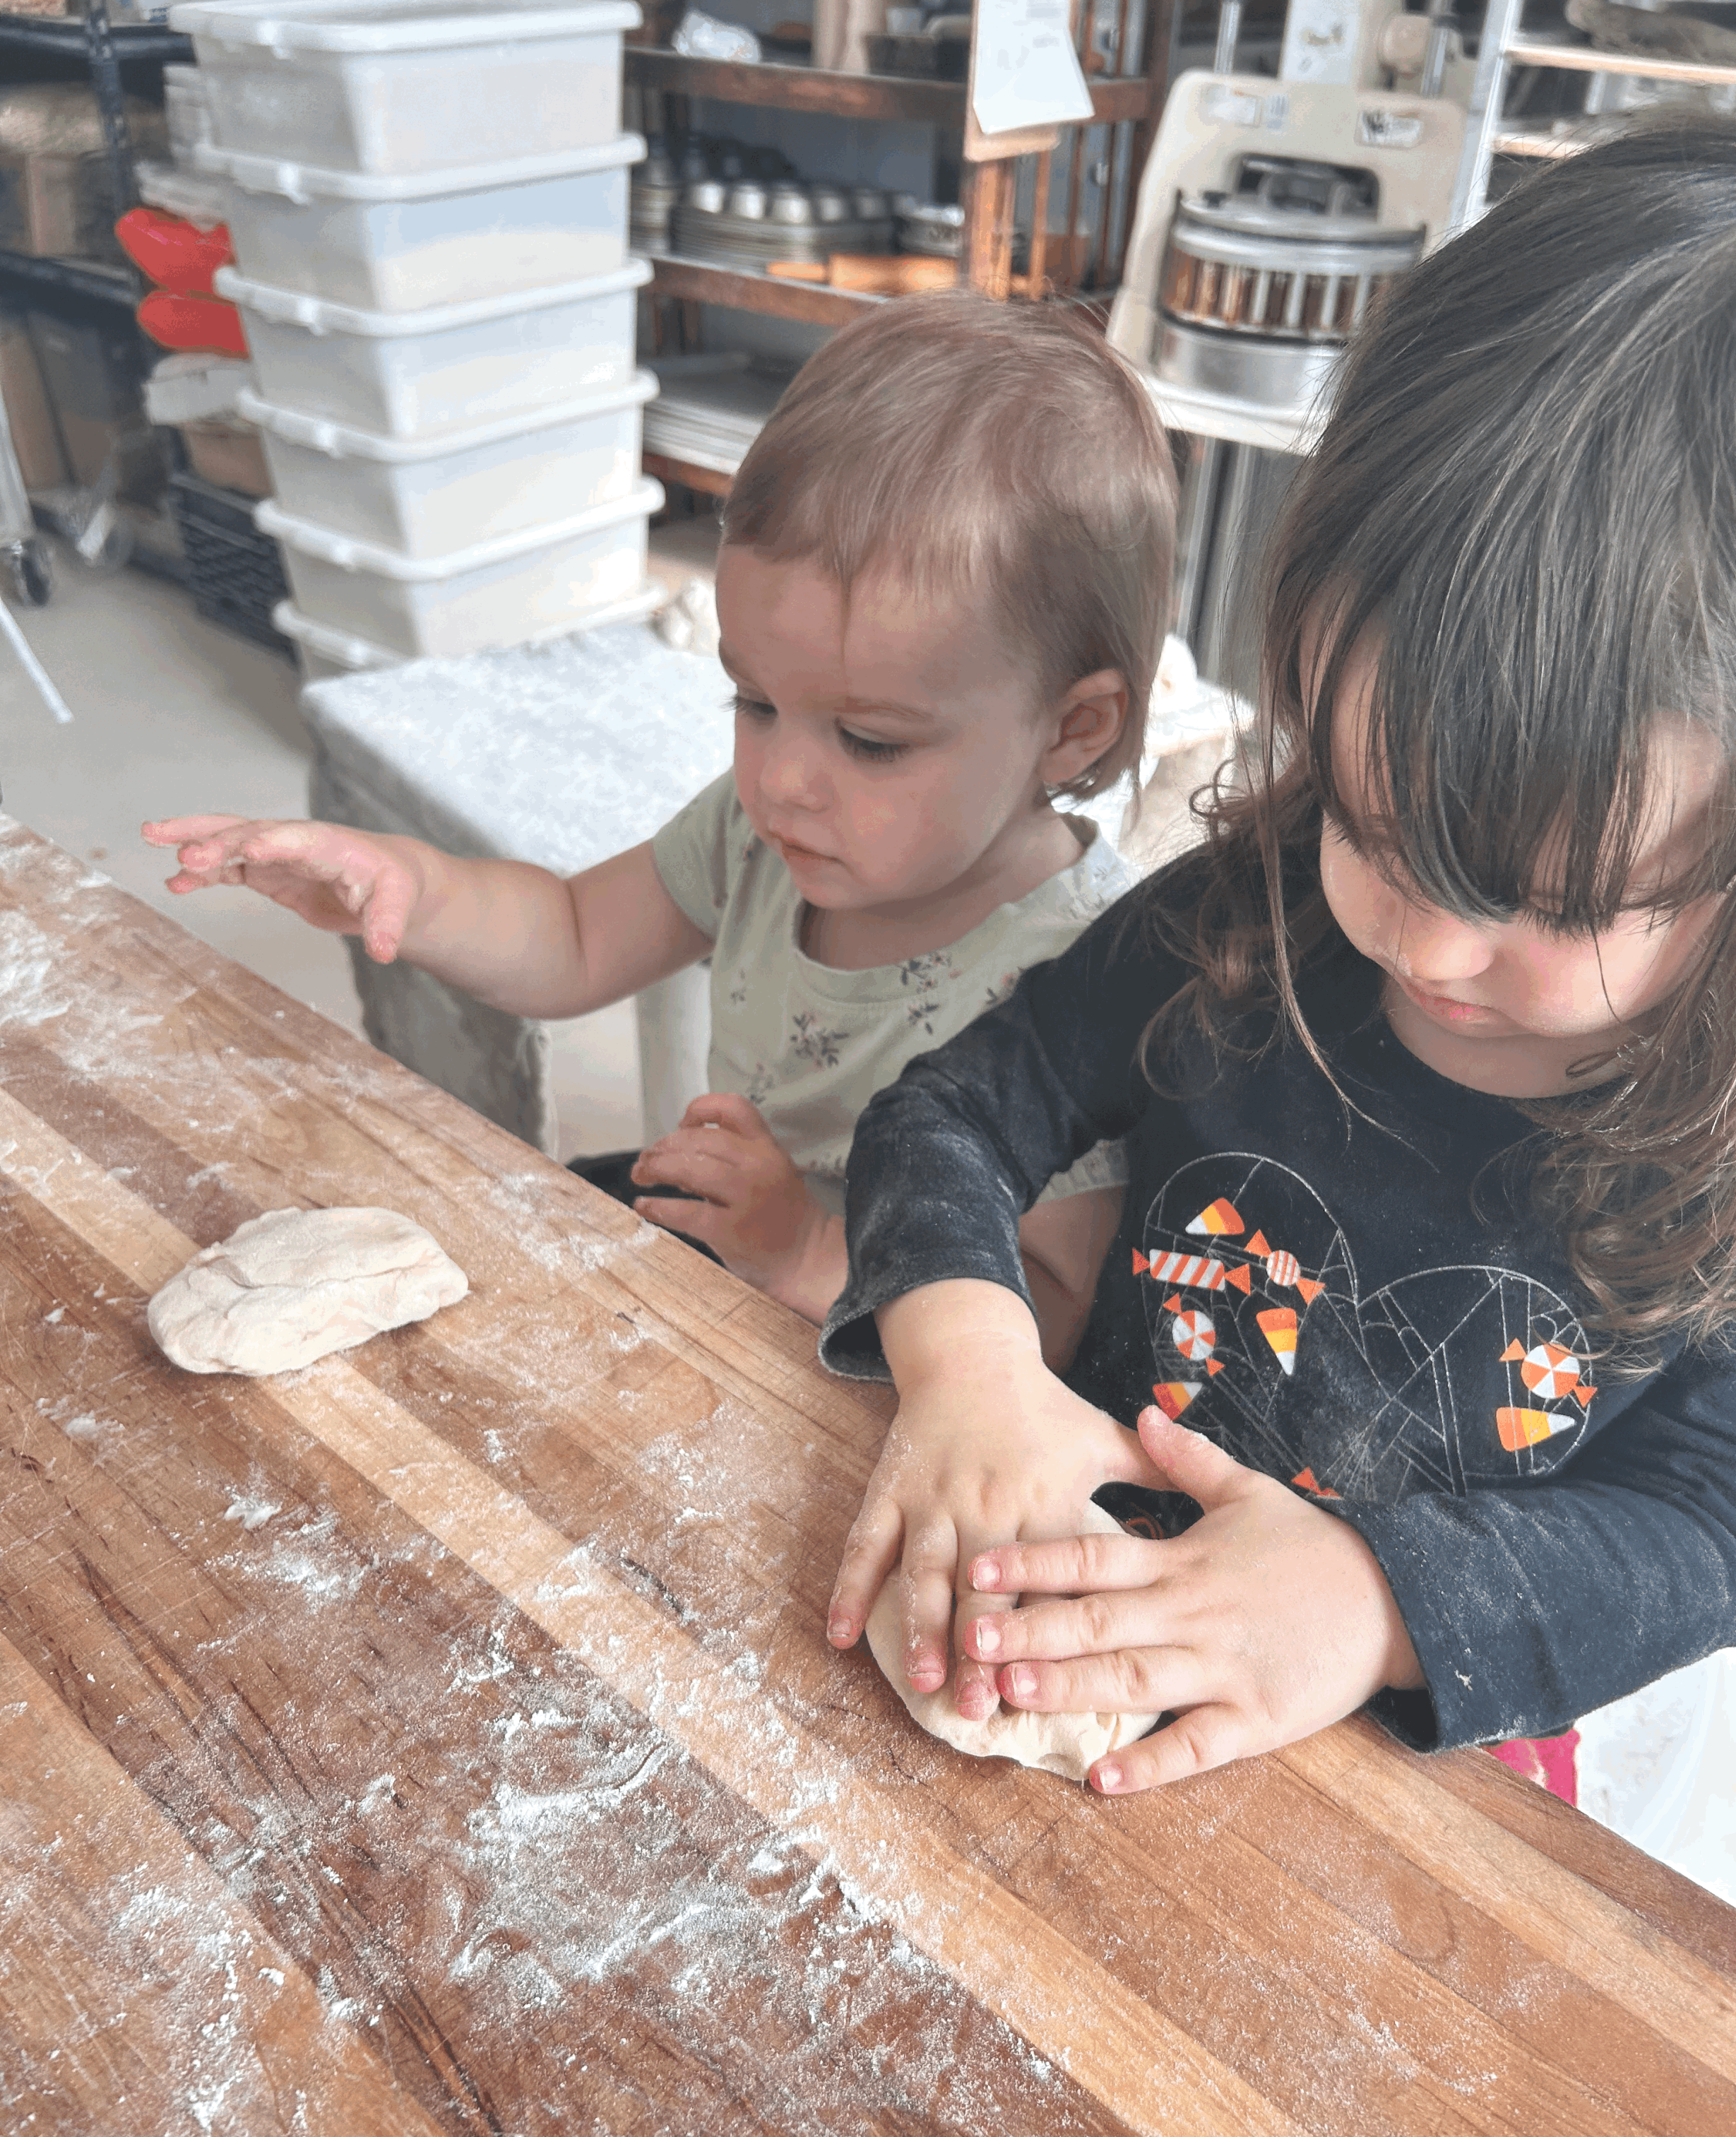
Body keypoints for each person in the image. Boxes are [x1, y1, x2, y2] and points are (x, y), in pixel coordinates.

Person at [820, 113, 1736, 1799]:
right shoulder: (1236, 928)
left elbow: (1714, 1528)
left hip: (1421, 1740)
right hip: (1084, 1580)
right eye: (1369, 814)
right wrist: (966, 1358)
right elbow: (954, 1110)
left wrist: (1376, 1598)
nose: (1415, 935)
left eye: (1546, 902)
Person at [142, 295, 1179, 1353]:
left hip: (890, 1363)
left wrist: (809, 1253)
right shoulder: (764, 838)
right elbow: (574, 936)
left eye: (868, 740)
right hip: (727, 1250)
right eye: (755, 702)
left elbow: (1057, 1316)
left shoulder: (1089, 975)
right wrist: (416, 884)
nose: (781, 781)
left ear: (1072, 730)